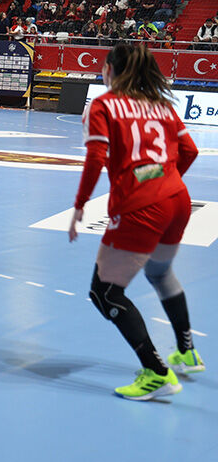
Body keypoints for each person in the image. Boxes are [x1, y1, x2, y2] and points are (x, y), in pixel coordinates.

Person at [69, 42, 203, 400]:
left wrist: (80, 205)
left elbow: (96, 158)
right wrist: (165, 181)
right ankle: (187, 352)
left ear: (110, 70)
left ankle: (157, 372)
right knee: (160, 273)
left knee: (105, 292)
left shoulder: (103, 105)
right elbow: (190, 151)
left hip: (143, 206)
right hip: (178, 200)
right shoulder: (160, 103)